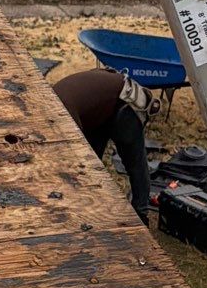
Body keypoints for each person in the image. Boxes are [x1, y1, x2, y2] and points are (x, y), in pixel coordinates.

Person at [51, 66, 152, 221]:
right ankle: (90, 206)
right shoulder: (50, 108)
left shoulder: (63, 116)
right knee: (91, 164)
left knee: (134, 163)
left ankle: (141, 213)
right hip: (98, 108)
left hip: (125, 102)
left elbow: (73, 160)